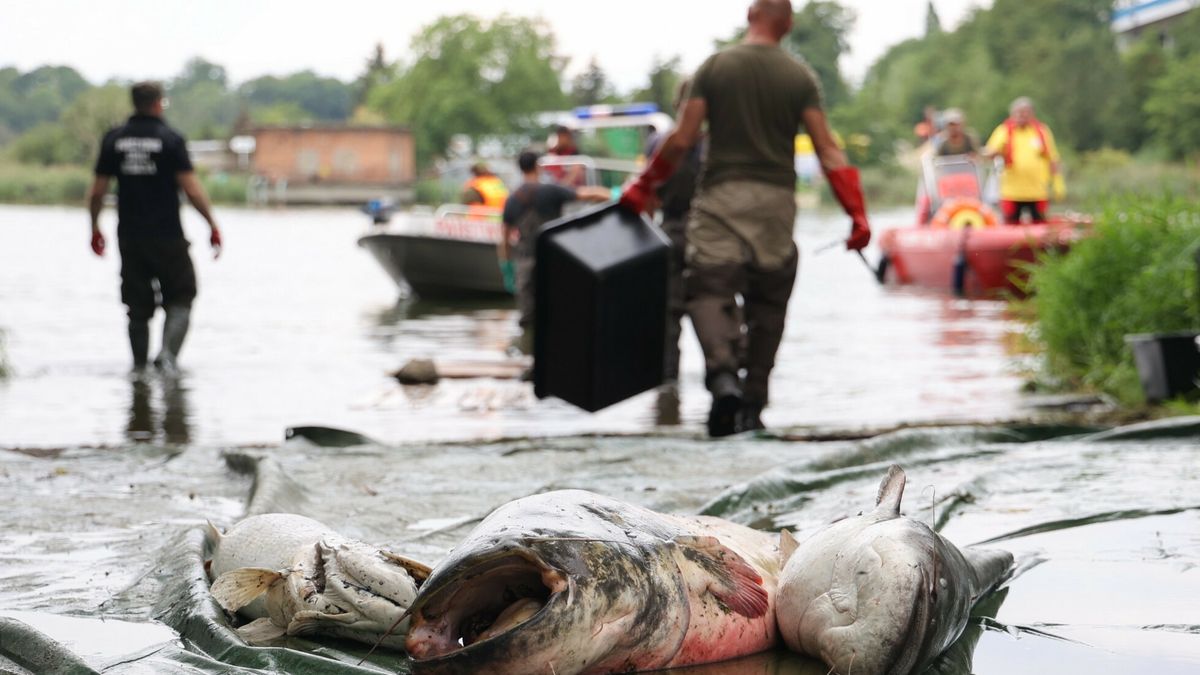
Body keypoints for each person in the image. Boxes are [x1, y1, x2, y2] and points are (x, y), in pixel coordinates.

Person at [620, 0, 871, 437]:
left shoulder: (715, 68)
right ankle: (753, 402)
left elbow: (682, 138)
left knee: (708, 287)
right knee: (769, 300)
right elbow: (829, 151)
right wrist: (857, 214)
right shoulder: (799, 77)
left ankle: (722, 379)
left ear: (750, 15)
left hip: (721, 197)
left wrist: (643, 186)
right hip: (777, 203)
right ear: (787, 25)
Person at [88, 81, 222, 373]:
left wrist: (95, 227)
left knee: (136, 307)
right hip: (168, 235)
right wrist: (212, 224)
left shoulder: (114, 139)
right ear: (159, 103)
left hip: (130, 237)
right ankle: (167, 357)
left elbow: (97, 192)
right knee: (182, 295)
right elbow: (192, 189)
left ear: (135, 103)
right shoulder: (170, 139)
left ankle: (138, 369)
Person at [498, 150, 609, 342]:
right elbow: (588, 194)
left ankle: (527, 350)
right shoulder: (551, 191)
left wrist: (506, 265)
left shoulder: (512, 199)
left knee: (527, 318)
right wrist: (616, 194)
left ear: (520, 169)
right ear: (537, 166)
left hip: (524, 263)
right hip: (552, 261)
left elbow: (505, 239)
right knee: (556, 312)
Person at [983, 97, 1065, 224]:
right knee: (1010, 226)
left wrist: (1057, 182)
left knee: (1040, 225)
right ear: (1012, 114)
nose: (1022, 116)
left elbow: (1053, 159)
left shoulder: (1041, 131)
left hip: (1038, 191)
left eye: (1025, 112)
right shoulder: (1003, 131)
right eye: (1018, 112)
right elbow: (990, 151)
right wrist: (991, 153)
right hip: (1011, 191)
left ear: (1032, 114)